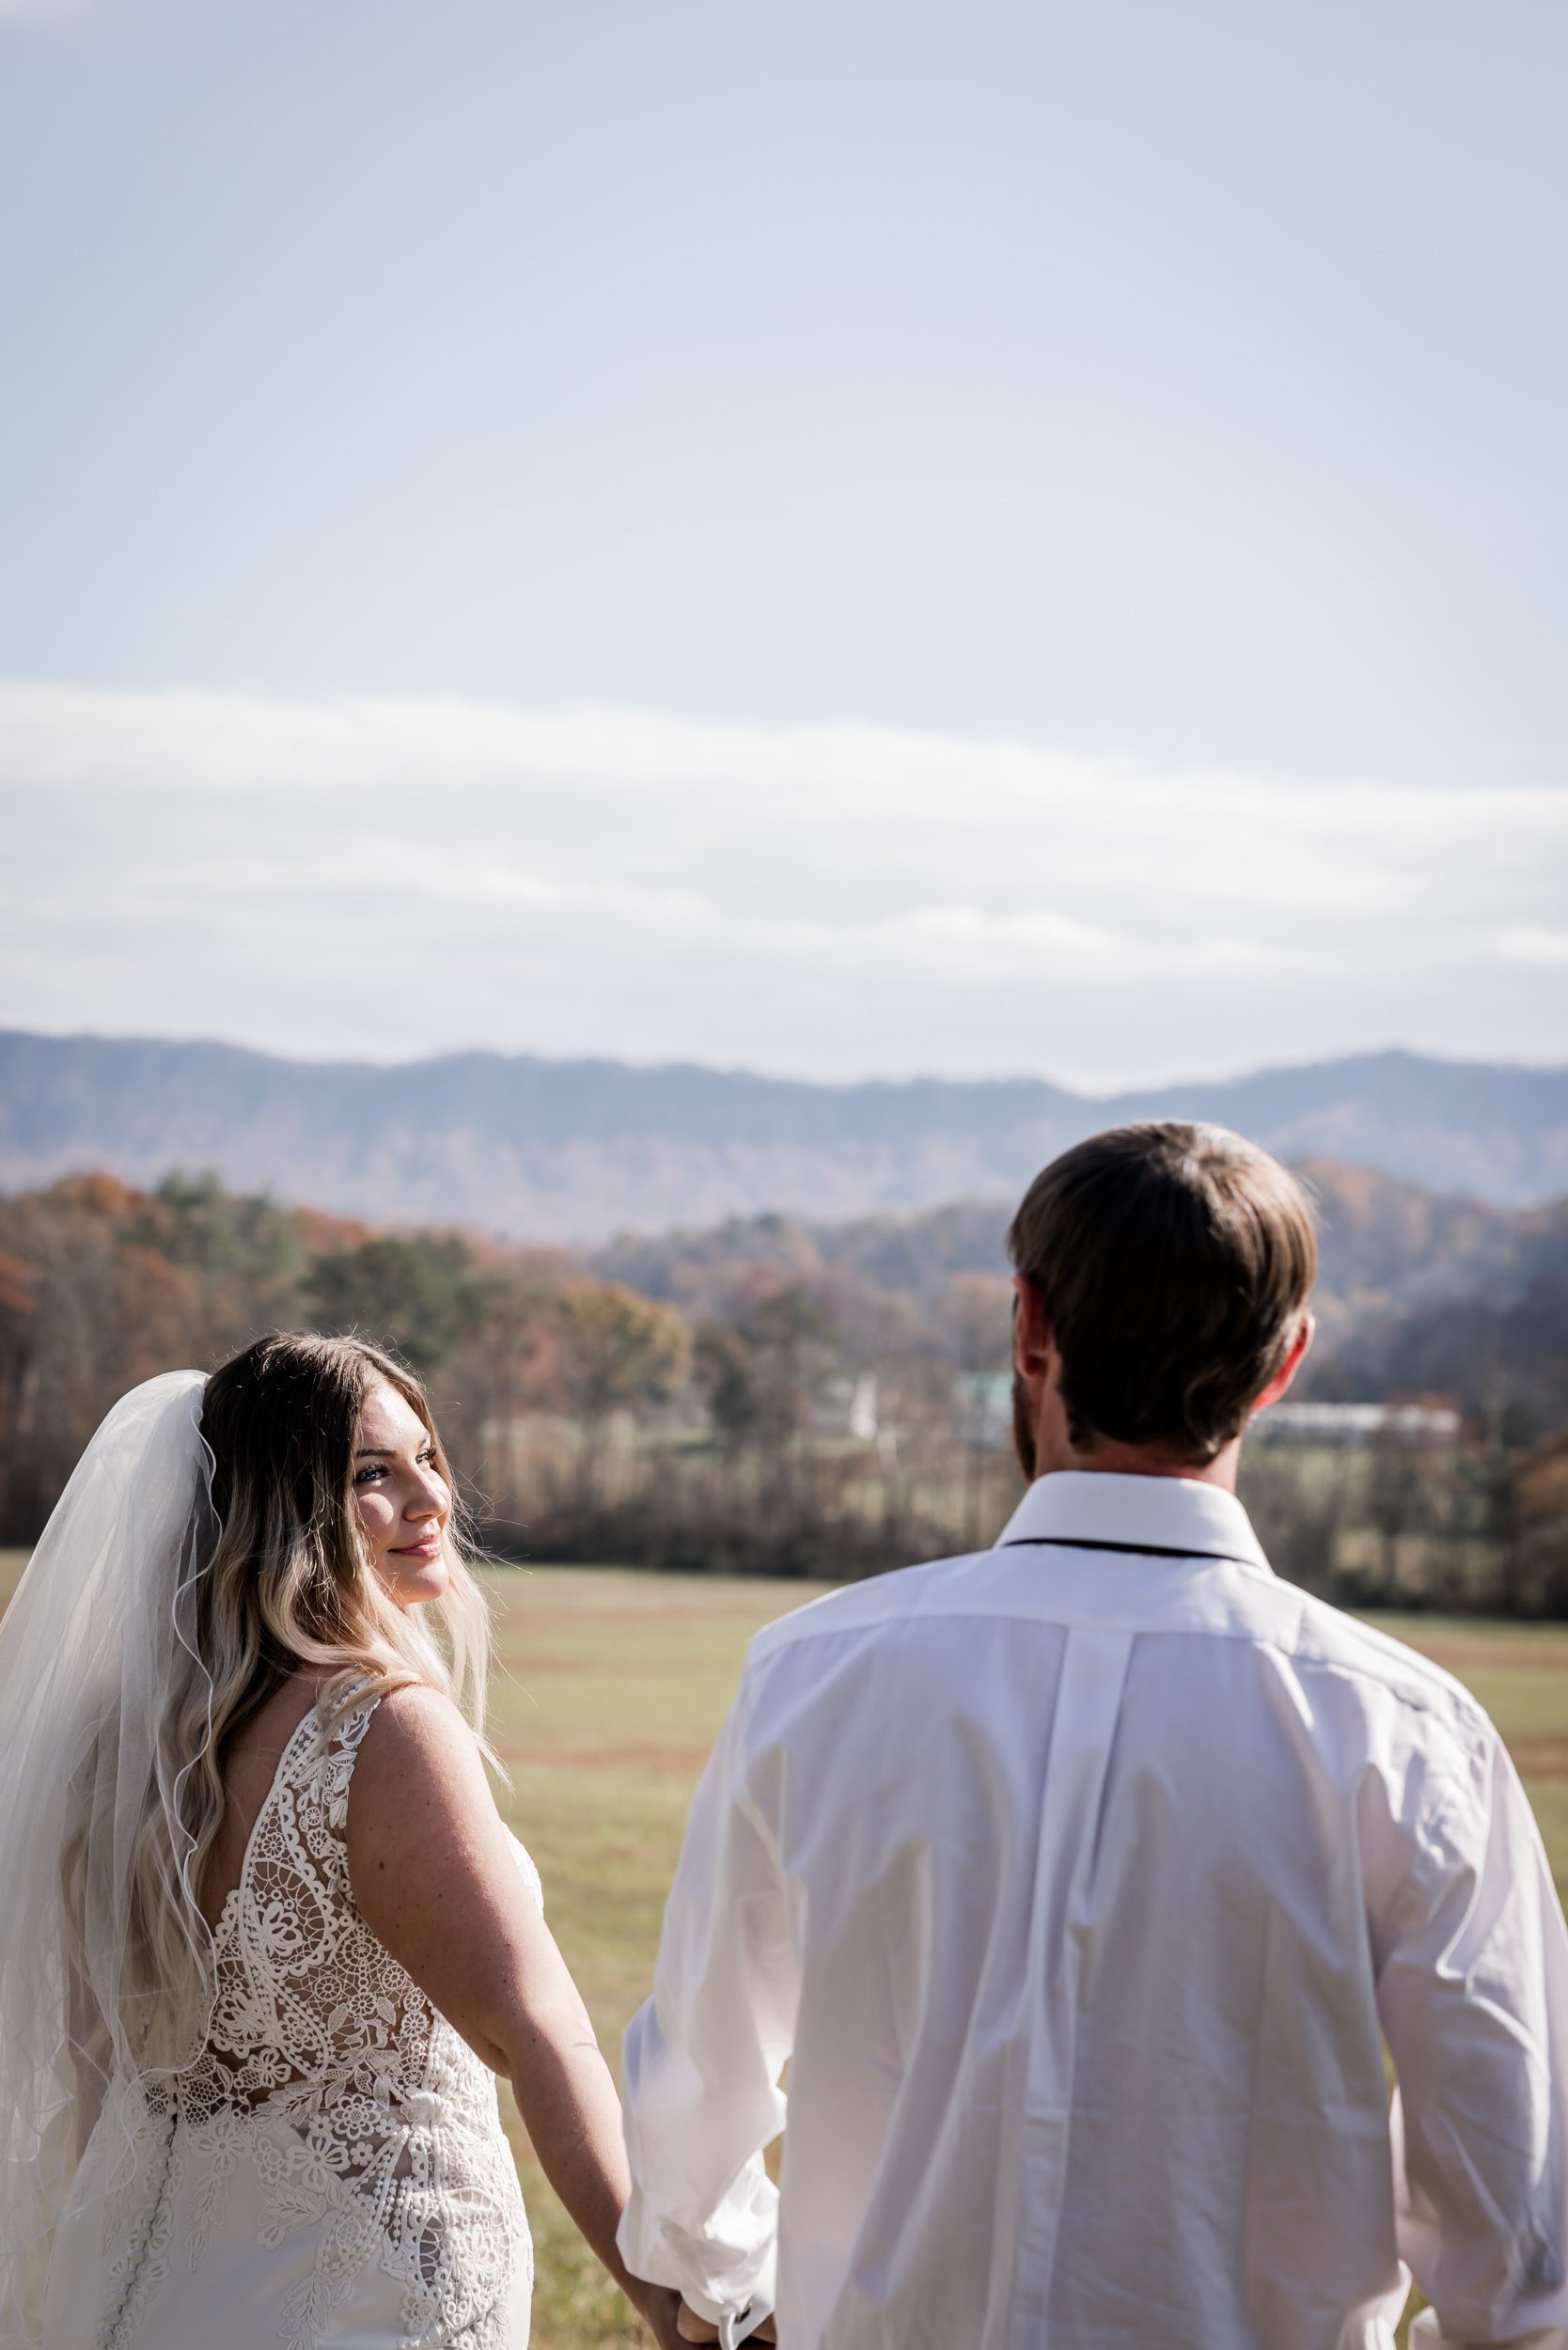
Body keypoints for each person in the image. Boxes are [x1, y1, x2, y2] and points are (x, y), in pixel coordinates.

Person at [618, 1121, 1568, 2350]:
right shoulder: (1410, 1734)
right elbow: (1519, 2233)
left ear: (1027, 1327)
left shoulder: (812, 1674)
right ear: (1285, 1367)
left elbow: (696, 2096)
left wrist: (738, 2289)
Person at [0, 1331, 683, 2350]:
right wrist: (663, 2292)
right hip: (376, 2294)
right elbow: (535, 2027)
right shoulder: (379, 1725)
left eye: (428, 1458)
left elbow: (100, 2077)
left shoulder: (116, 1749)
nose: (430, 1498)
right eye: (373, 1472)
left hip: (159, 2292)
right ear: (284, 1500)